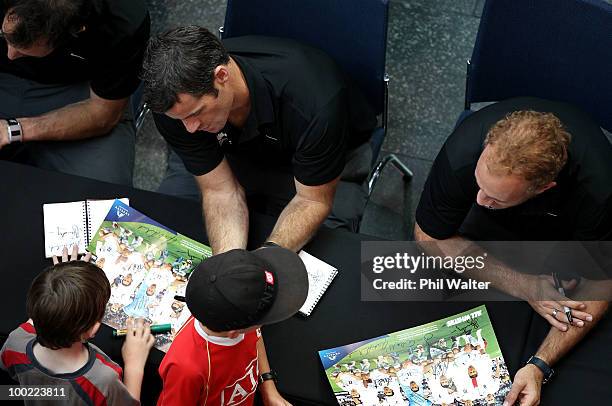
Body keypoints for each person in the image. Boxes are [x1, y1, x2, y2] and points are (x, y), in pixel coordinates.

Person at [414, 97, 612, 406]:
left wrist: (539, 365)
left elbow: (599, 287)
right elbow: (429, 237)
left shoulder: (599, 188)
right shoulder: (465, 151)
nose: (480, 199)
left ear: (544, 188)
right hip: (485, 238)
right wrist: (525, 285)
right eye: (479, 184)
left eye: (494, 197)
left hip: (565, 241)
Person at [141, 25, 377, 252]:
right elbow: (220, 191)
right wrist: (229, 266)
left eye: (196, 113)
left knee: (322, 256)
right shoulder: (176, 110)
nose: (190, 128)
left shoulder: (315, 104)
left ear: (221, 76)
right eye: (181, 119)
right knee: (171, 233)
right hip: (235, 151)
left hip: (325, 160)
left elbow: (312, 201)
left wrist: (264, 263)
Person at [0, 0, 150, 184]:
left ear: (77, 30)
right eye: (4, 35)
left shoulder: (121, 22)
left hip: (80, 95)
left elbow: (102, 114)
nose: (11, 55)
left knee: (105, 197)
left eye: (23, 51)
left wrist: (13, 130)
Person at [0, 247, 155, 404]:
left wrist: (65, 284)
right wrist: (134, 363)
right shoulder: (103, 380)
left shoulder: (16, 342)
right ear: (93, 329)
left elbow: (9, 384)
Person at [156, 246, 309, 405]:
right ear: (234, 332)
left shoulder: (235, 315)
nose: (260, 327)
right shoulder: (186, 370)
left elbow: (255, 336)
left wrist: (268, 386)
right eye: (265, 318)